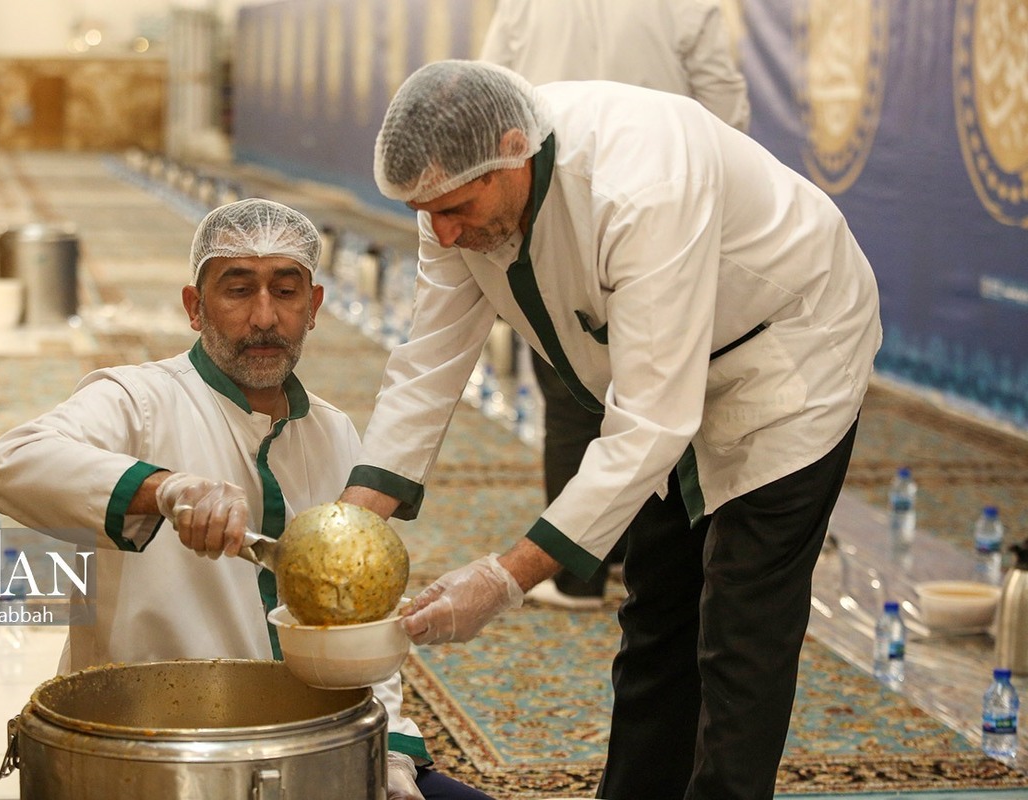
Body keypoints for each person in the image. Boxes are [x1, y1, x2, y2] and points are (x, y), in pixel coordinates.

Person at [338, 61, 881, 799]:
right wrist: (348, 532)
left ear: (514, 148)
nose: (442, 231)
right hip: (656, 375)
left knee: (740, 626)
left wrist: (506, 578)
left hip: (786, 357)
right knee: (658, 610)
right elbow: (429, 362)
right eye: (424, 213)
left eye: (456, 209)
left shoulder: (639, 181)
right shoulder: (455, 194)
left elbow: (652, 423)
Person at [0, 199, 492, 800]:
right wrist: (164, 489)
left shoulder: (335, 437)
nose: (264, 317)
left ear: (315, 307)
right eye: (238, 290)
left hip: (309, 751)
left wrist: (388, 755)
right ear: (195, 308)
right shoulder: (136, 401)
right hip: (157, 759)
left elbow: (360, 624)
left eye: (285, 290)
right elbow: (11, 463)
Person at [479, 0, 750, 608]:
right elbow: (723, 101)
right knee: (662, 387)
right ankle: (642, 557)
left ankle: (583, 572)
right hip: (667, 207)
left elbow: (487, 90)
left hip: (548, 207)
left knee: (572, 391)